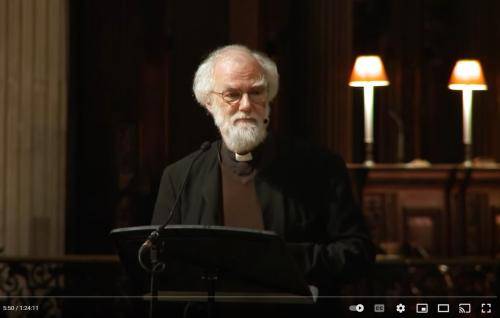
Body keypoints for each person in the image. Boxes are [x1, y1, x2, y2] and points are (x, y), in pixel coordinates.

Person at [151, 44, 374, 317]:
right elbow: (161, 264)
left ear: (269, 98)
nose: (246, 106)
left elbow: (358, 252)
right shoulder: (180, 176)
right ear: (208, 103)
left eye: (256, 92)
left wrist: (280, 260)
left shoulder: (319, 167)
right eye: (232, 94)